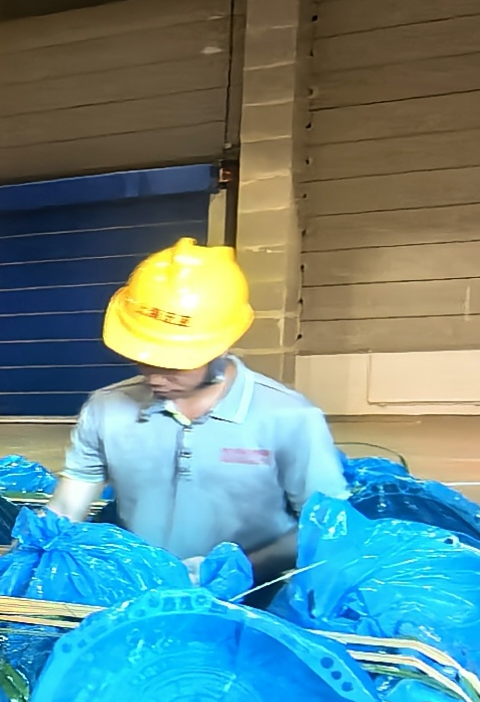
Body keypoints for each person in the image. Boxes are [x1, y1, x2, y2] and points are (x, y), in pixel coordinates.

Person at [45, 238, 345, 587]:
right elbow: (69, 506)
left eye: (173, 364)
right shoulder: (107, 410)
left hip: (255, 597)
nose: (154, 376)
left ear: (220, 347)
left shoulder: (288, 417)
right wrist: (38, 545)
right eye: (144, 359)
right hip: (139, 590)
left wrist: (243, 570)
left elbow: (326, 526)